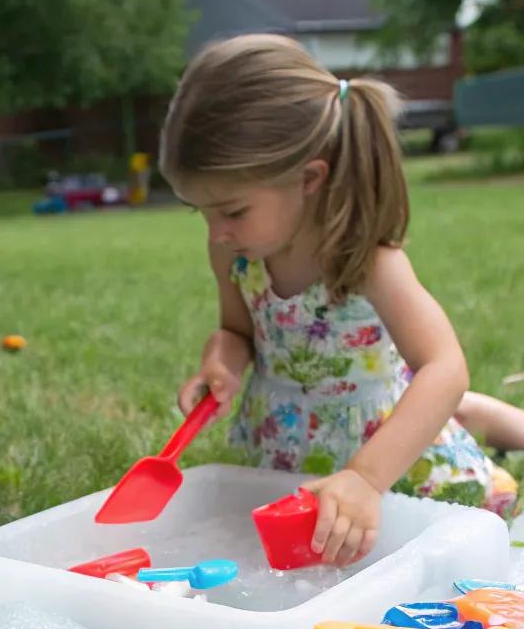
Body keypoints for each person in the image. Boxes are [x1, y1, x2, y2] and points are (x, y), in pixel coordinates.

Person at [161, 34, 524, 566]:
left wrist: (366, 477)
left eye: (232, 210)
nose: (217, 232)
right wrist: (221, 363)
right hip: (286, 443)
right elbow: (238, 332)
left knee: (463, 461)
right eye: (202, 213)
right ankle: (475, 419)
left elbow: (444, 368)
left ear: (308, 178)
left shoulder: (367, 262)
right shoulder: (238, 258)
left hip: (381, 450)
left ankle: (490, 449)